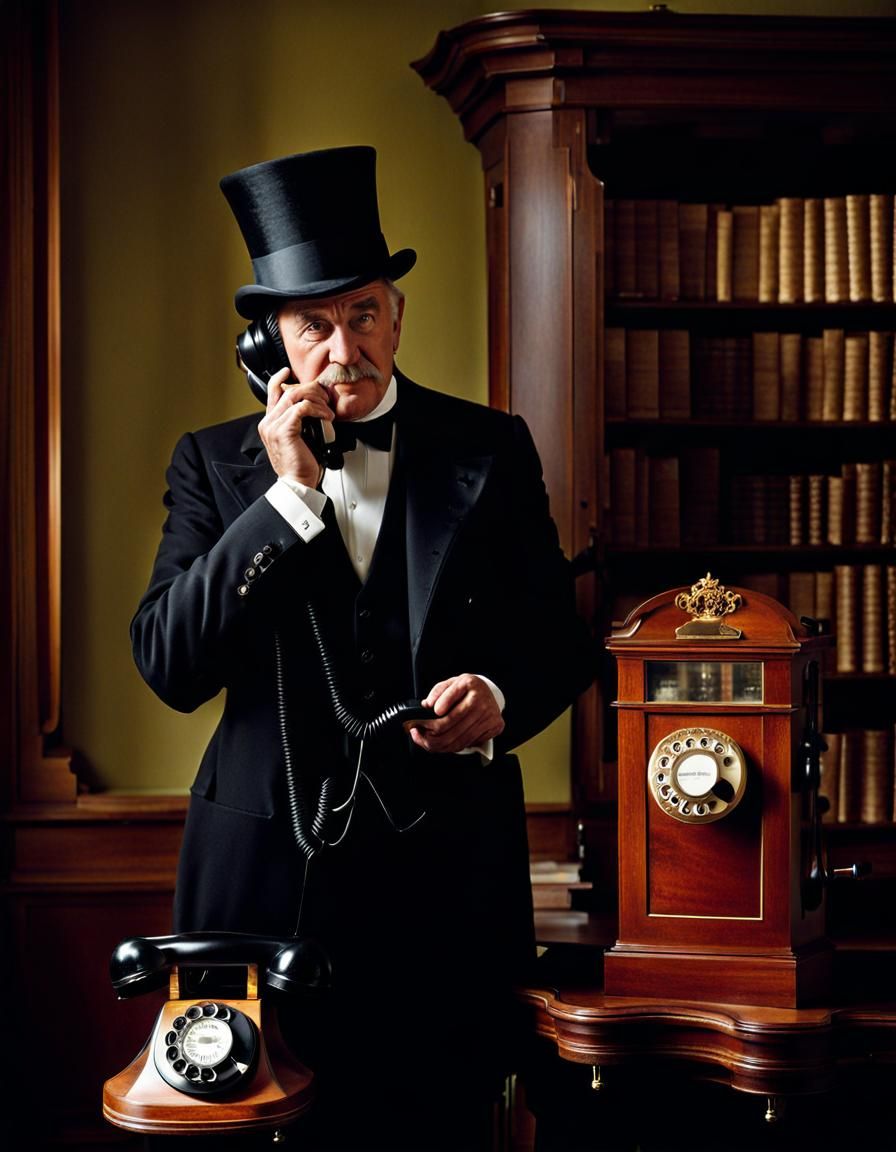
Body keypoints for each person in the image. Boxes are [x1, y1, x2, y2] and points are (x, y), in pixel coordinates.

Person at [131, 145, 595, 1151]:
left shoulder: (489, 447)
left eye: (364, 315)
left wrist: (501, 697)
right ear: (271, 343)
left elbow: (557, 639)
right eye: (314, 326)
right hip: (262, 881)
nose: (344, 349)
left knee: (436, 1126)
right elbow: (169, 664)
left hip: (444, 881)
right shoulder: (213, 466)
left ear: (397, 314)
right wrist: (286, 498)